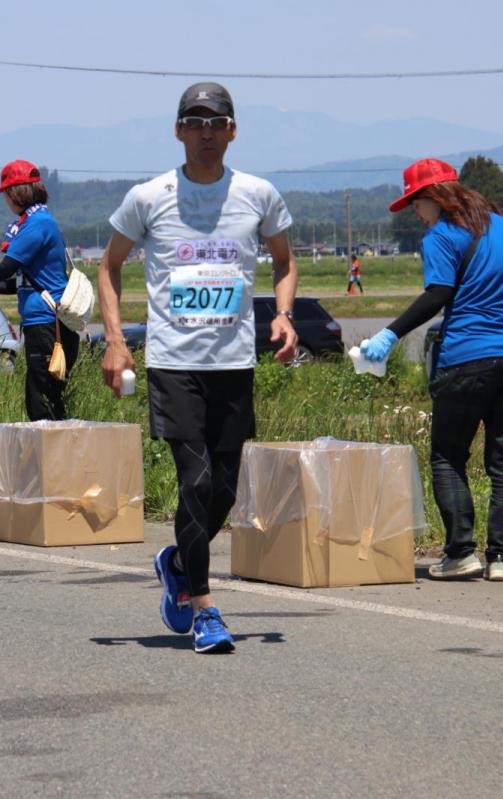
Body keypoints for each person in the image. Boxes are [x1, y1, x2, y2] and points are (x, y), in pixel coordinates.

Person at [97, 82, 298, 653]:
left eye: (217, 123)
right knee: (197, 480)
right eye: (195, 122)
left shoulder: (258, 195)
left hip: (234, 365)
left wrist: (283, 316)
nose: (206, 134)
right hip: (174, 365)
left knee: (226, 492)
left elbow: (284, 262)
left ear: (233, 131)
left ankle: (177, 561)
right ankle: (204, 607)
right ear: (178, 130)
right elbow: (108, 269)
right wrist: (115, 340)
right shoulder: (149, 197)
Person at [360, 158, 503, 583]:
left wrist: (389, 335)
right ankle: (502, 560)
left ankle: (461, 552)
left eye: (414, 205)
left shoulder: (441, 235)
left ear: (431, 198)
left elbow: (440, 293)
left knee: (448, 456)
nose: (415, 215)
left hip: (467, 358)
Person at [0, 160, 78, 421]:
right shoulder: (41, 219)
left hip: (46, 326)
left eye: (6, 194)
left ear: (14, 193)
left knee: (42, 404)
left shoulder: (36, 224)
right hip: (46, 324)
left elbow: (6, 268)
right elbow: (21, 281)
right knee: (47, 399)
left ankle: (52, 461)